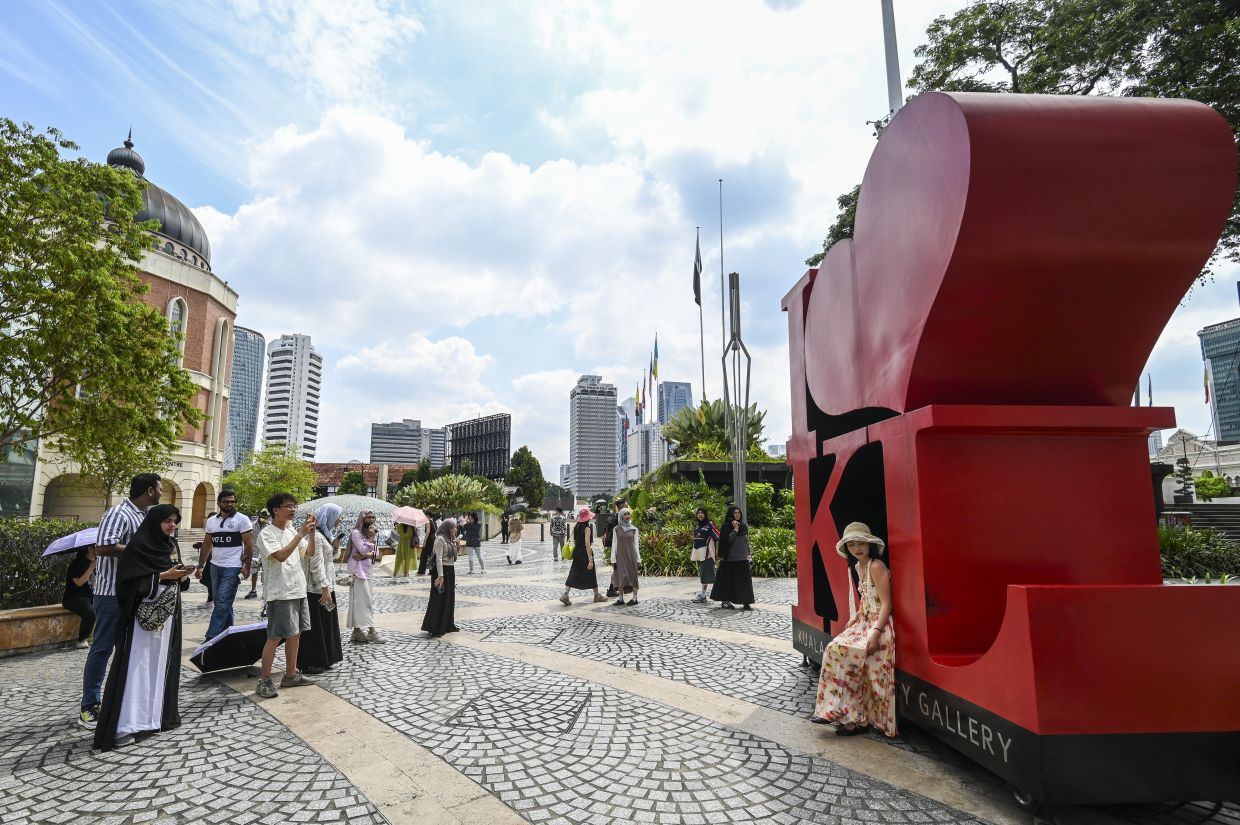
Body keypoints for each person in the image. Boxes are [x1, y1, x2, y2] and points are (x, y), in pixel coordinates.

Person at [94, 503, 192, 750]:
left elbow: (171, 573)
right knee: (137, 668)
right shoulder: (137, 548)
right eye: (167, 521)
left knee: (159, 666)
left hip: (165, 617)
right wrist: (161, 577)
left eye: (174, 521)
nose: (172, 525)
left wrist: (183, 574)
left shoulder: (168, 545)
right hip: (141, 620)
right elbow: (127, 584)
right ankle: (125, 726)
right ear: (154, 522)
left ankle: (151, 718)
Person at [78, 473, 161, 731]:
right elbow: (103, 547)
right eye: (159, 489)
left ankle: (120, 699)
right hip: (111, 592)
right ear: (149, 490)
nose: (161, 492)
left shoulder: (144, 516)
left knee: (129, 649)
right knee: (102, 648)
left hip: (135, 592)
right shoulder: (119, 513)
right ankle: (89, 706)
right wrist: (141, 550)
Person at [812, 522, 896, 737]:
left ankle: (847, 716)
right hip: (865, 622)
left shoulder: (876, 566)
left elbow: (886, 603)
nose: (857, 549)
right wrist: (857, 616)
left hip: (879, 626)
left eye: (860, 544)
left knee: (839, 651)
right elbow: (867, 599)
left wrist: (876, 632)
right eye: (851, 546)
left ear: (869, 544)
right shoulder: (858, 567)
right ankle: (842, 714)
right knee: (834, 649)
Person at [254, 493, 319, 699]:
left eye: (294, 506)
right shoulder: (266, 534)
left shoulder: (292, 531)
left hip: (298, 588)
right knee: (275, 637)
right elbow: (280, 556)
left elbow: (308, 553)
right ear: (276, 510)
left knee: (296, 633)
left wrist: (312, 534)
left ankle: (291, 674)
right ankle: (264, 680)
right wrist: (300, 534)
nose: (293, 510)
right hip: (279, 591)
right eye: (289, 506)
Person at [196, 490, 254, 642]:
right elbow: (207, 543)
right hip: (215, 565)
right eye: (226, 501)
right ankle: (229, 635)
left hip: (233, 567)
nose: (229, 504)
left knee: (222, 602)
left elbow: (248, 544)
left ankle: (211, 637)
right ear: (219, 503)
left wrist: (246, 566)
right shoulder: (211, 521)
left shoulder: (242, 519)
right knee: (222, 602)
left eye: (232, 502)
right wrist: (200, 565)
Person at [298, 503, 344, 674]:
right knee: (316, 626)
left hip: (325, 585)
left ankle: (324, 658)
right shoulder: (315, 536)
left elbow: (329, 558)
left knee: (325, 623)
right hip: (316, 588)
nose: (340, 519)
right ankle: (312, 661)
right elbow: (315, 565)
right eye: (338, 516)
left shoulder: (324, 535)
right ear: (329, 516)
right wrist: (325, 588)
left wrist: (336, 546)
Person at [346, 511, 385, 644]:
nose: (372, 519)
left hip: (367, 571)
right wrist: (371, 541)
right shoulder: (356, 533)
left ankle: (356, 631)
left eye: (373, 517)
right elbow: (363, 549)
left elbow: (377, 553)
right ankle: (371, 631)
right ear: (362, 518)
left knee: (362, 601)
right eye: (369, 517)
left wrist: (364, 555)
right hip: (358, 571)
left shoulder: (371, 533)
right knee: (362, 601)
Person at [559, 507, 608, 605]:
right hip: (585, 554)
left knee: (573, 573)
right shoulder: (587, 528)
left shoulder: (576, 527)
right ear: (588, 518)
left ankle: (565, 594)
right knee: (591, 574)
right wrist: (590, 559)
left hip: (577, 553)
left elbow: (575, 541)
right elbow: (587, 544)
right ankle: (597, 595)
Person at [711, 505, 755, 610]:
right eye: (735, 513)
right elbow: (726, 541)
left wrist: (748, 554)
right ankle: (725, 602)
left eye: (738, 513)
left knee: (744, 582)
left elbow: (745, 541)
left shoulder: (743, 526)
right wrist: (735, 529)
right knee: (727, 581)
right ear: (731, 514)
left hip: (742, 558)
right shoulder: (726, 526)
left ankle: (746, 601)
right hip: (729, 559)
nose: (737, 515)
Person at [421, 518, 459, 636]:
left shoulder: (450, 539)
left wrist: (456, 546)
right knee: (438, 598)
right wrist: (441, 575)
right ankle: (436, 627)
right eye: (454, 527)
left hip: (450, 570)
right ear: (448, 528)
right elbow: (438, 558)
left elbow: (454, 558)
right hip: (440, 572)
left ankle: (447, 624)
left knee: (449, 598)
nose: (456, 529)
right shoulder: (440, 539)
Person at [62, 546, 96, 649]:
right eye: (97, 546)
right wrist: (91, 567)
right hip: (74, 598)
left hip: (89, 596)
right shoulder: (77, 563)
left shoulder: (97, 562)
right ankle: (82, 640)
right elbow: (79, 583)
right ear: (90, 549)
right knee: (91, 613)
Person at [610, 508, 641, 606]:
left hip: (631, 556)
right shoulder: (616, 529)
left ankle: (635, 598)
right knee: (620, 576)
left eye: (628, 514)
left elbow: (636, 545)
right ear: (621, 516)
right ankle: (621, 599)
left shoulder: (634, 529)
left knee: (633, 577)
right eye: (625, 514)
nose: (627, 516)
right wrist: (613, 559)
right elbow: (614, 544)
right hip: (620, 556)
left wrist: (638, 559)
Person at [690, 507, 719, 603]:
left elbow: (718, 535)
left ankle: (704, 595)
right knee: (705, 574)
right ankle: (703, 594)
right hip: (701, 554)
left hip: (708, 553)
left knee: (709, 574)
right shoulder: (698, 527)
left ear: (705, 514)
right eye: (698, 513)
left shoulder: (709, 524)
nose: (700, 514)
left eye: (702, 513)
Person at [245, 509, 270, 599]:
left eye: (265, 515)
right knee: (254, 572)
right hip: (255, 553)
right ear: (259, 514)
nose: (263, 516)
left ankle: (265, 591)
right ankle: (253, 590)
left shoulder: (269, 526)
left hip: (265, 553)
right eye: (262, 514)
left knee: (266, 572)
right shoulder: (251, 525)